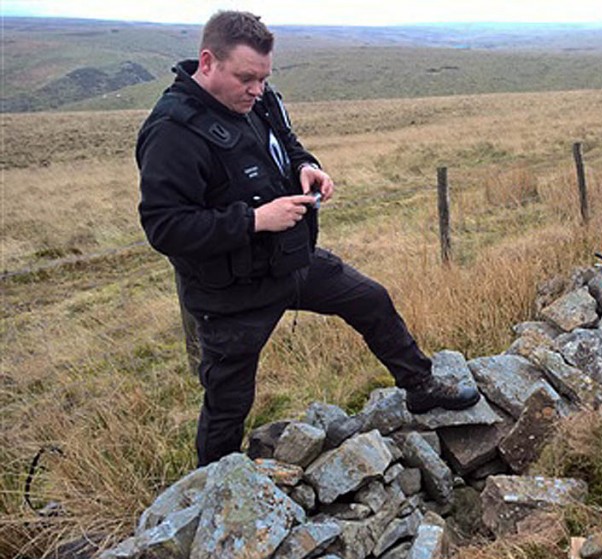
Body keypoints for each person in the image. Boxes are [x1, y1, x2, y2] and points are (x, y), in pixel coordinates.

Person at [136, 11, 479, 468]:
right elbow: (165, 227)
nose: (256, 89)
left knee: (370, 299)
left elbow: (286, 144)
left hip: (291, 262)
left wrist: (306, 166)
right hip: (230, 294)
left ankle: (420, 388)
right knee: (229, 402)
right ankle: (214, 489)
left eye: (263, 78)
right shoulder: (172, 132)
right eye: (246, 78)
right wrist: (255, 219)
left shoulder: (259, 101)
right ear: (207, 62)